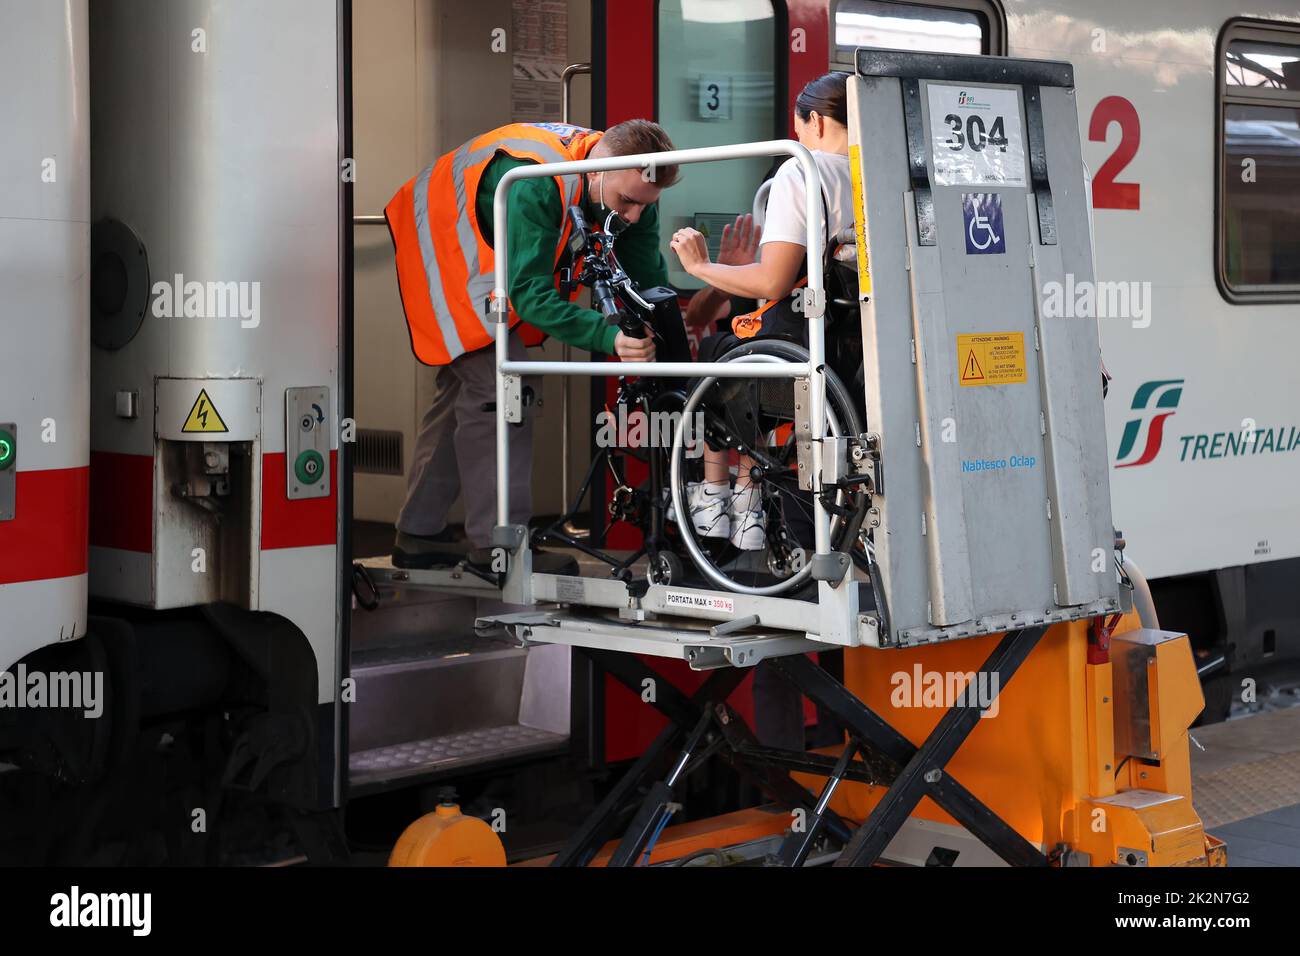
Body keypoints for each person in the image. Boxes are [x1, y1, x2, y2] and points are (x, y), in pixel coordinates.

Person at [385, 120, 680, 567]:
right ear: (597, 173)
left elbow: (646, 279)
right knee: (503, 385)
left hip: (484, 248)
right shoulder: (539, 182)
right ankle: (500, 547)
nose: (635, 216)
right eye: (627, 203)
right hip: (442, 240)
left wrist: (666, 326)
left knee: (468, 392)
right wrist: (610, 337)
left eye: (645, 205)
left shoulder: (633, 187)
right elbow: (528, 293)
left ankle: (418, 532)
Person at [669, 72, 855, 551]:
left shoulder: (801, 171)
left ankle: (719, 498)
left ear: (814, 120)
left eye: (799, 128)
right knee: (751, 358)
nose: (797, 138)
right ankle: (749, 501)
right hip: (851, 341)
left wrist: (701, 265)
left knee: (719, 351)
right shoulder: (875, 171)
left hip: (803, 334)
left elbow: (773, 279)